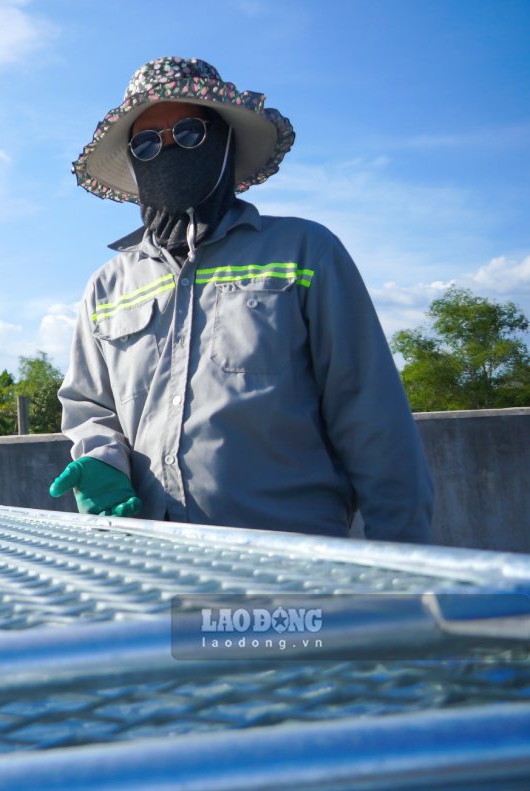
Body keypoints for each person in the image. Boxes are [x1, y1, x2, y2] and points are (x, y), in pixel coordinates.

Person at [51, 56, 433, 543]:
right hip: (150, 557)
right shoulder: (107, 286)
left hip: (291, 560)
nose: (168, 149)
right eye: (147, 142)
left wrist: (404, 561)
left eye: (189, 132)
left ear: (224, 141)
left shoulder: (304, 251)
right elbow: (89, 404)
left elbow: (371, 414)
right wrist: (101, 457)